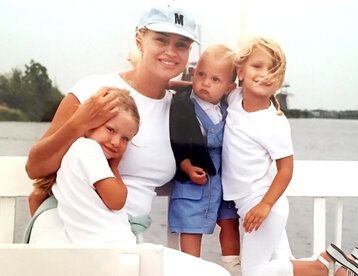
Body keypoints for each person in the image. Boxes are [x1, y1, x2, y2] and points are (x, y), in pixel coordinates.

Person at [24, 2, 230, 275]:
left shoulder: (180, 107)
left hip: (123, 237)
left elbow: (232, 93)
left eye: (181, 44)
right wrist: (81, 121)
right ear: (139, 39)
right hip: (66, 224)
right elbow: (35, 167)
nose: (170, 51)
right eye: (161, 39)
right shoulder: (95, 91)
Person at [221, 37, 358, 276]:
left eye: (273, 70)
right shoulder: (235, 98)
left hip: (262, 206)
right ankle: (348, 265)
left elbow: (286, 169)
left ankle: (324, 262)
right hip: (248, 205)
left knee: (254, 272)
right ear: (241, 71)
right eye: (257, 66)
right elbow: (207, 87)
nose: (265, 74)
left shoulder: (273, 122)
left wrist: (265, 205)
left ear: (279, 81)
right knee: (286, 264)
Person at [29, 89, 139, 245]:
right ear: (91, 125)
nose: (116, 142)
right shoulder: (89, 150)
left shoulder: (72, 152)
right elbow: (116, 201)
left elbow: (34, 198)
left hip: (85, 246)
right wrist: (114, 166)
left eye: (125, 139)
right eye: (110, 129)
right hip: (107, 245)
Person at [168, 45, 241, 270]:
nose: (205, 83)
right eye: (201, 75)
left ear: (229, 88)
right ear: (193, 72)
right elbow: (176, 141)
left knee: (229, 221)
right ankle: (191, 268)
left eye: (215, 80)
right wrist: (188, 167)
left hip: (225, 180)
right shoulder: (182, 105)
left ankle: (233, 267)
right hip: (195, 177)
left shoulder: (231, 108)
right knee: (190, 225)